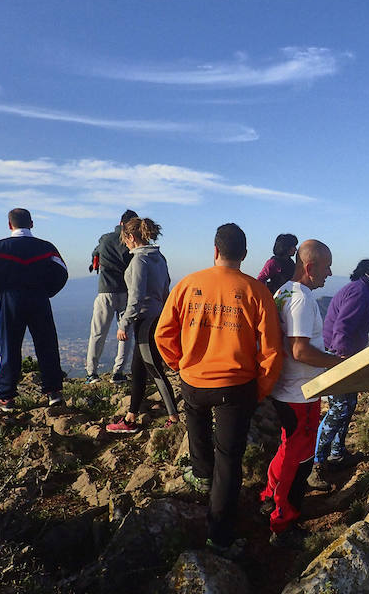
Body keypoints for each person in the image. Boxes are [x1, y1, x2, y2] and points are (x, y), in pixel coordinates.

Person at [155, 223, 283, 558]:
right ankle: (220, 537)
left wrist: (179, 364)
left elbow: (162, 333)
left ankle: (200, 475)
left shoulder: (189, 283)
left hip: (193, 381)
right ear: (243, 254)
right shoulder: (256, 291)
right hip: (235, 386)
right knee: (229, 459)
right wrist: (260, 389)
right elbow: (271, 351)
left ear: (215, 251)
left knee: (196, 421)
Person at [260, 240, 339, 546]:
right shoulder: (302, 299)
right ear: (310, 267)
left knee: (287, 449)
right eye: (327, 266)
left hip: (285, 389)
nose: (330, 272)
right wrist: (336, 362)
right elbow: (301, 351)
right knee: (301, 458)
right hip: (300, 393)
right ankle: (283, 522)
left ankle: (268, 496)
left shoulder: (282, 292)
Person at [310, 257, 369, 487]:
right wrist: (342, 361)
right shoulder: (360, 292)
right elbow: (342, 327)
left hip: (344, 356)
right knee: (339, 408)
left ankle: (337, 454)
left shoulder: (364, 290)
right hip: (339, 357)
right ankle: (316, 464)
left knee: (348, 405)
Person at [0, 208, 68, 411]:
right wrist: (48, 291)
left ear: (10, 225)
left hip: (11, 299)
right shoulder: (46, 248)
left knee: (9, 346)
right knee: (46, 344)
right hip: (39, 298)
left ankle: (5, 396)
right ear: (32, 224)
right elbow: (62, 272)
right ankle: (54, 392)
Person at [106, 218, 179, 433]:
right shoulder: (159, 258)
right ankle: (130, 418)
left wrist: (124, 323)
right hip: (157, 317)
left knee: (154, 370)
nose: (125, 244)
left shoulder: (138, 261)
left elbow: (135, 298)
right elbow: (166, 290)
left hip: (144, 322)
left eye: (125, 239)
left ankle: (174, 419)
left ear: (131, 237)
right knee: (138, 370)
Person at [85, 209, 137, 385]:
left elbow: (95, 252)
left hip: (105, 291)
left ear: (120, 223)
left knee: (98, 333)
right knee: (125, 333)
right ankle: (118, 372)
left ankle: (92, 373)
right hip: (126, 292)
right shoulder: (132, 242)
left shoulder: (105, 238)